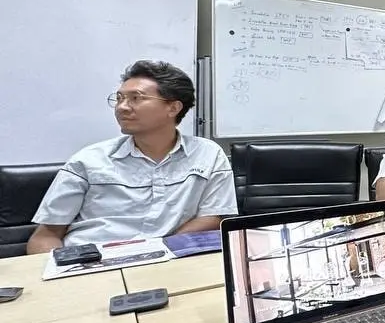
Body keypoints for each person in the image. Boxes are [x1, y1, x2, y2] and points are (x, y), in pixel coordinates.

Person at [27, 60, 238, 253]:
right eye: (119, 98)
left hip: (167, 260)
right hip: (92, 262)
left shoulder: (207, 154)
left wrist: (160, 253)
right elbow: (46, 235)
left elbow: (212, 218)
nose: (122, 107)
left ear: (173, 108)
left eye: (136, 98)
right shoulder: (88, 160)